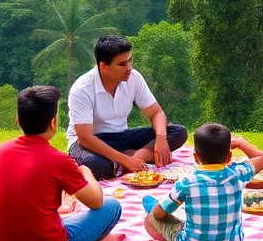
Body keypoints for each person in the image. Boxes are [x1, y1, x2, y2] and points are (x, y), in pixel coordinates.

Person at [0, 85, 125, 241]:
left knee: (58, 219)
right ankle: (94, 240)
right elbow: (96, 202)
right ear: (53, 123)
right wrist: (87, 173)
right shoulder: (60, 160)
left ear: (18, 121)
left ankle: (93, 239)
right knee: (112, 206)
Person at [67, 36, 188, 180]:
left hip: (122, 135)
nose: (129, 68)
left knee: (178, 132)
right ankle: (123, 159)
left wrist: (161, 138)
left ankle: (131, 159)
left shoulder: (134, 78)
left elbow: (156, 112)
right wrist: (126, 160)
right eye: (122, 64)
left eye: (130, 61)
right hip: (90, 141)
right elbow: (85, 138)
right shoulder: (82, 89)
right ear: (104, 67)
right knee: (97, 166)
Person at [142, 123, 263, 241]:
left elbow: (159, 214)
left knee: (150, 217)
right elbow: (262, 158)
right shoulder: (237, 174)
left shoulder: (187, 183)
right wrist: (241, 143)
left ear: (196, 157)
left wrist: (156, 210)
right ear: (229, 157)